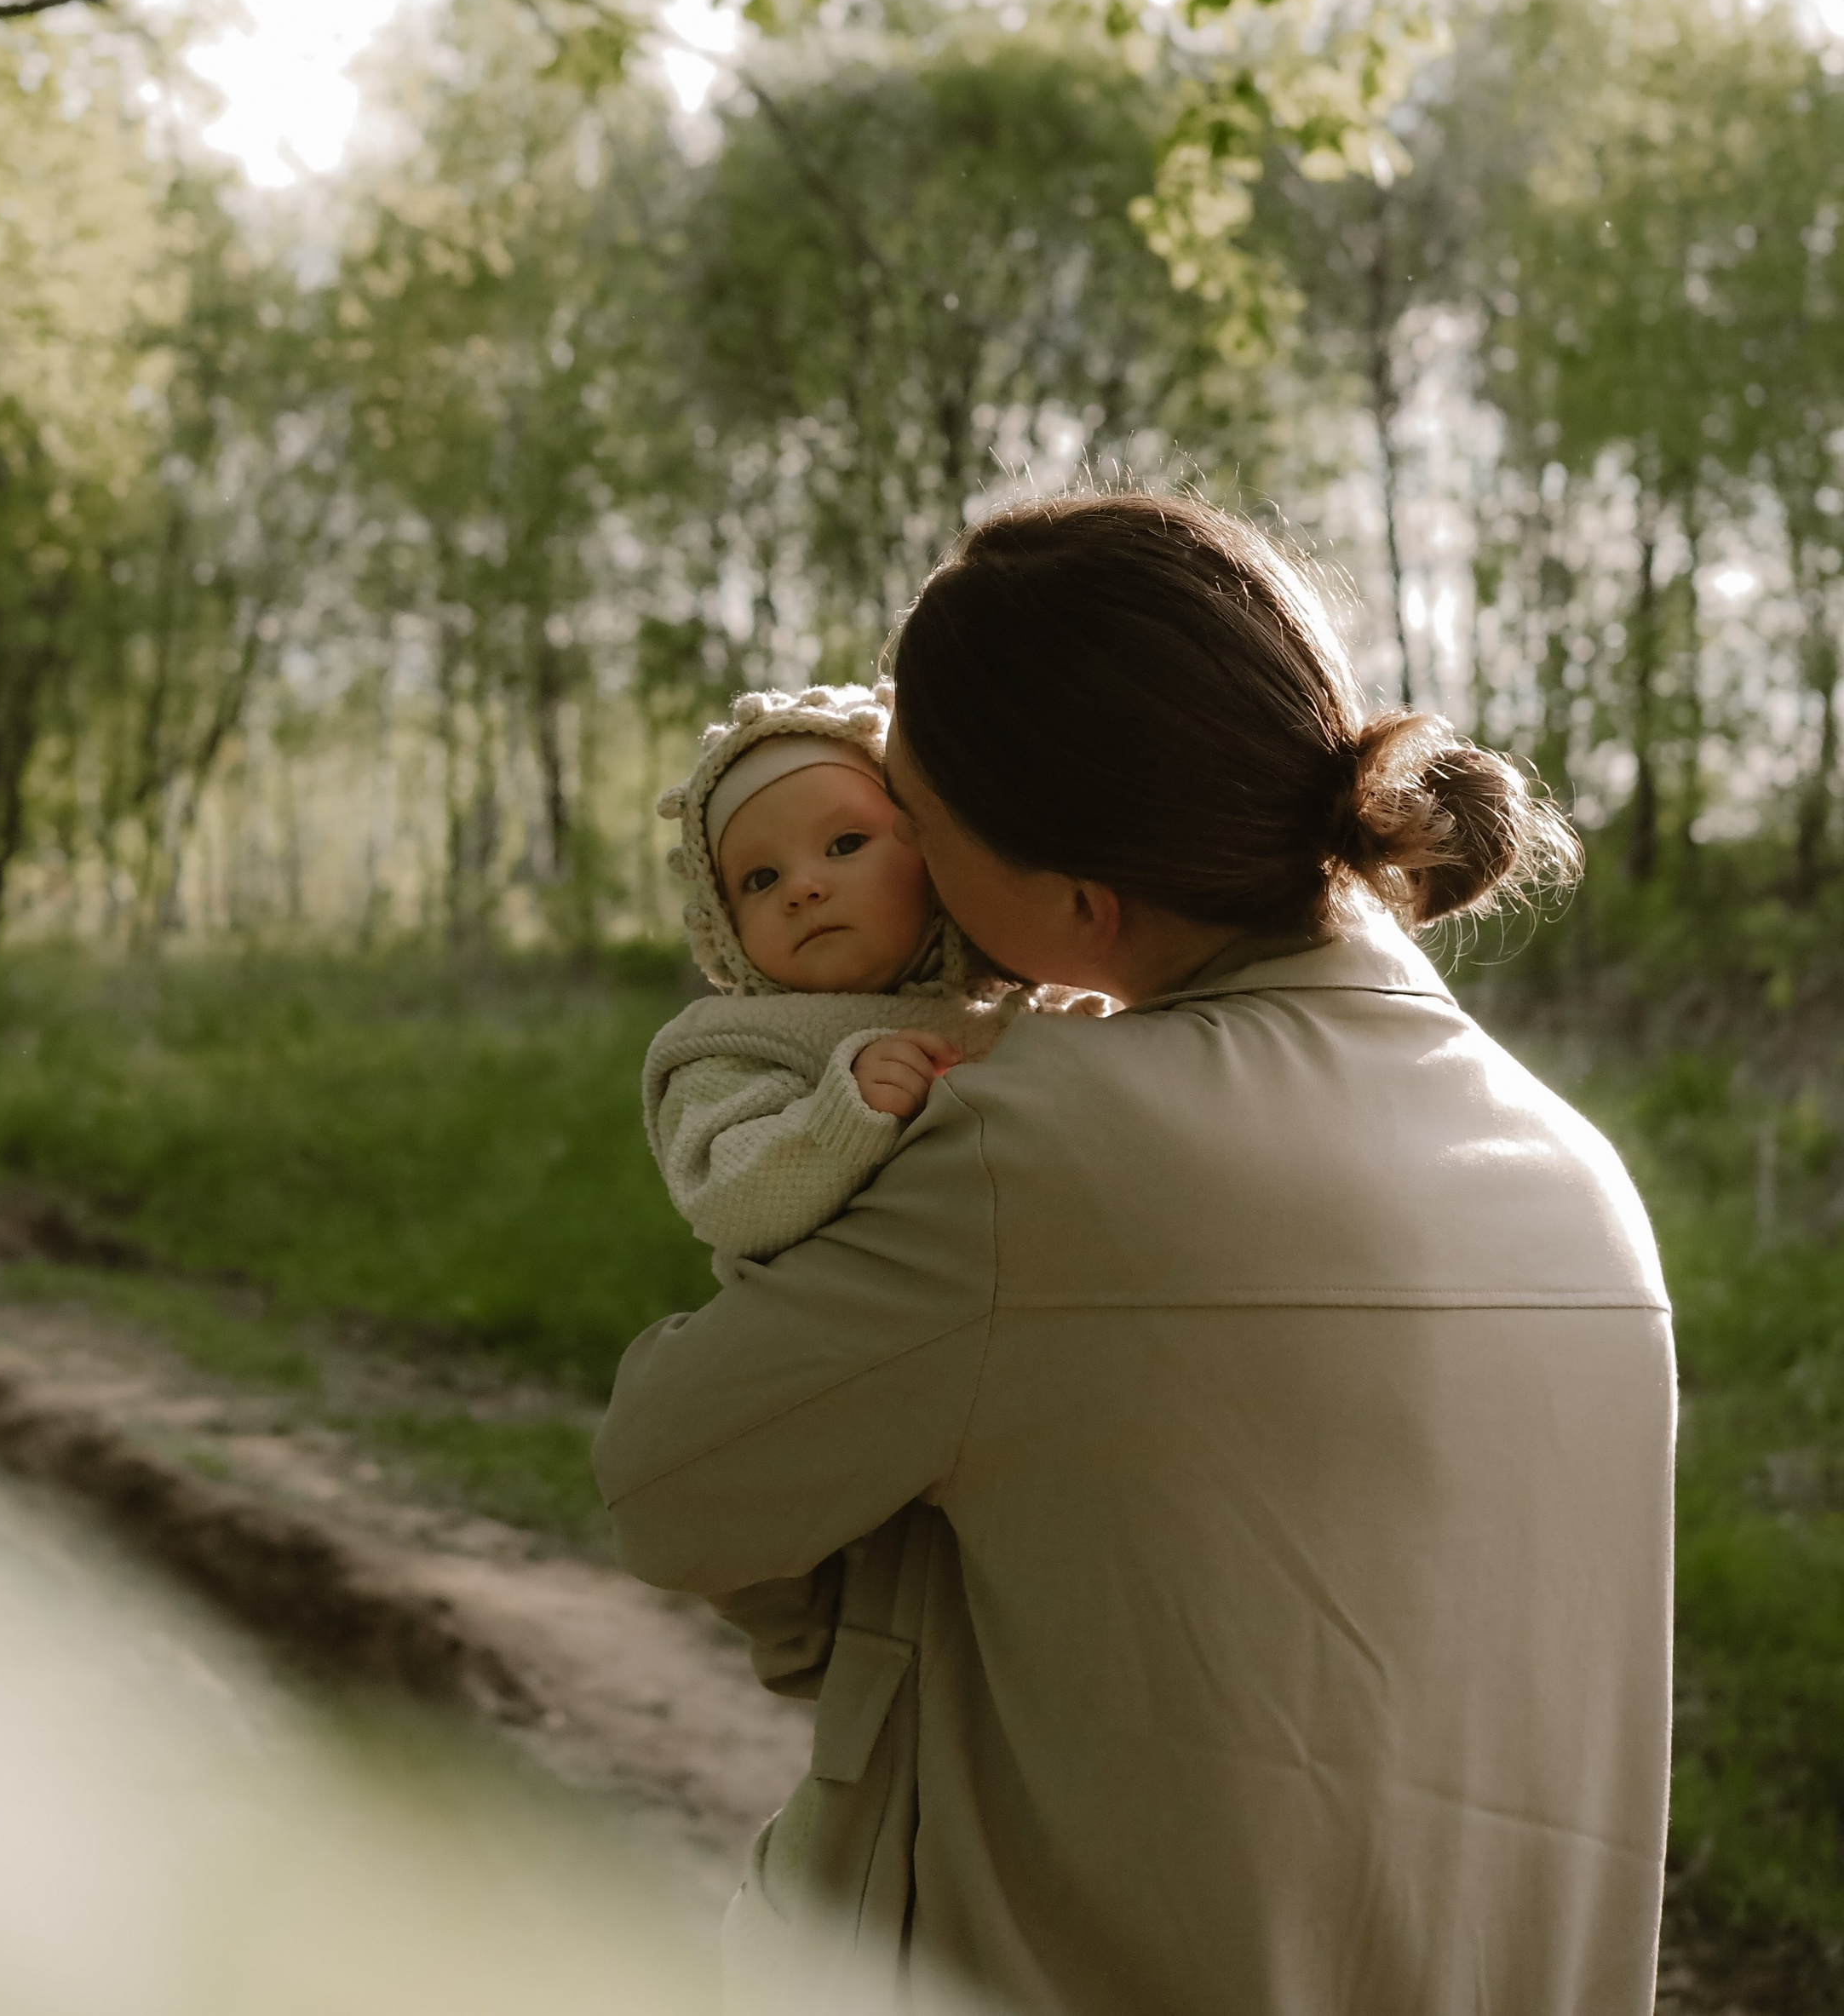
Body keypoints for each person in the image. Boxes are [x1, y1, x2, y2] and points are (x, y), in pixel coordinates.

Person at [595, 491, 1675, 2016]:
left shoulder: (1022, 1144)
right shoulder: (1584, 1178)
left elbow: (671, 1484)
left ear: (1068, 893)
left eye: (906, 814)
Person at [645, 683, 1030, 1274]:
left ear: (928, 845)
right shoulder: (736, 1048)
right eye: (761, 878)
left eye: (845, 843)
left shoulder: (1026, 983)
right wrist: (841, 1119)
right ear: (723, 925)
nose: (803, 888)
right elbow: (723, 1197)